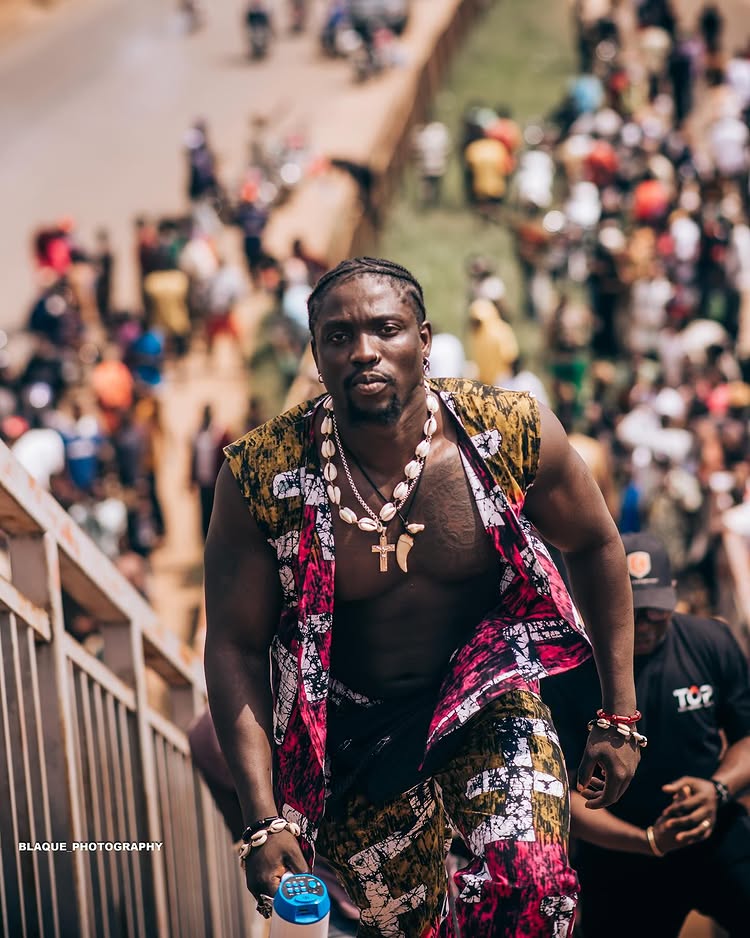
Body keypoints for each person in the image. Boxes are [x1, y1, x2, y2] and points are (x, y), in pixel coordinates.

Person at [203, 257, 641, 935]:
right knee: (415, 927)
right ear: (315, 354)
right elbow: (234, 643)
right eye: (339, 336)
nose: (364, 351)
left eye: (386, 329)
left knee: (532, 890)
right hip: (350, 743)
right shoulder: (262, 477)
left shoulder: (507, 433)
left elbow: (596, 543)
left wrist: (619, 716)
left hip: (486, 700)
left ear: (425, 340)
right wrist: (263, 820)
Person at [542, 531, 750, 938]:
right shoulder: (567, 669)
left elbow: (746, 737)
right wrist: (648, 841)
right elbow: (560, 795)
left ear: (673, 593)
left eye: (658, 610)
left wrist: (717, 790)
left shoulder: (711, 641)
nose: (646, 623)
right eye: (633, 610)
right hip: (619, 852)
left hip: (712, 829)